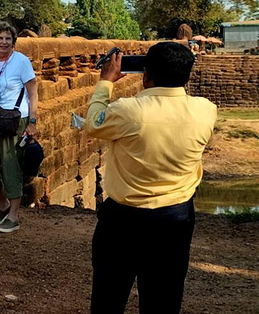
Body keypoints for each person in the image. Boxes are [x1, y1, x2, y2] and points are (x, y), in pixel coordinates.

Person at [86, 42, 217, 313]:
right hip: (175, 217)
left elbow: (93, 123)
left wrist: (106, 83)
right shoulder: (206, 110)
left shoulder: (128, 110)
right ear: (188, 76)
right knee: (163, 298)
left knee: (109, 295)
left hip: (124, 217)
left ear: (146, 75)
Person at [0, 22, 38, 234]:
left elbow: (33, 92)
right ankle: (2, 205)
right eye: (0, 38)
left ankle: (13, 216)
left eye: (7, 38)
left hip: (15, 119)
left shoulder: (21, 62)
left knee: (10, 165)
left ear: (13, 41)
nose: (4, 42)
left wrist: (33, 121)